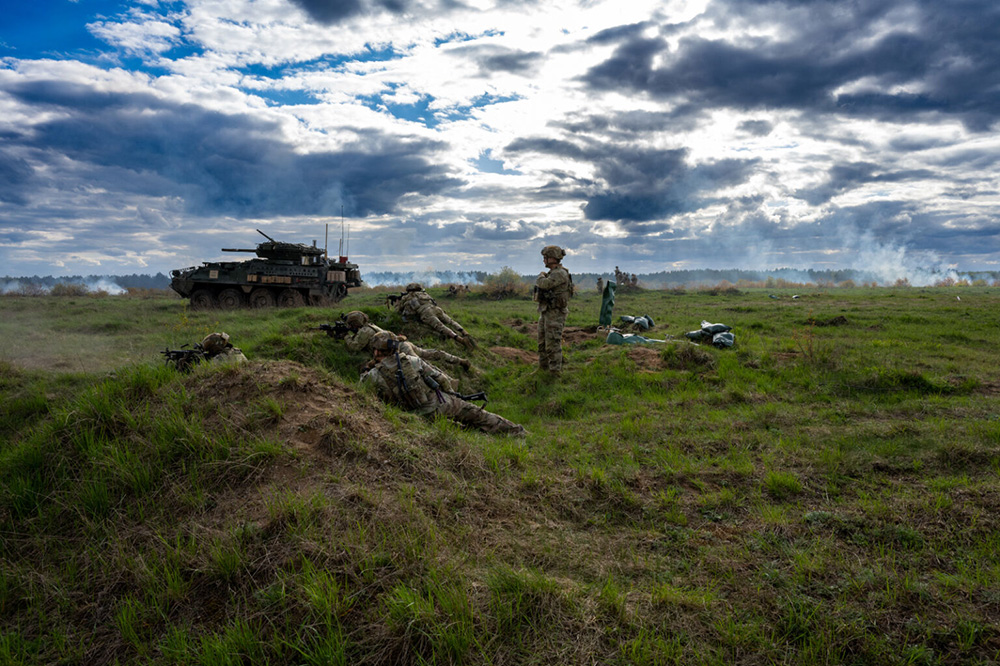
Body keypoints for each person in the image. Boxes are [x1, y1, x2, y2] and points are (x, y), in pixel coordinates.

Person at [360, 334, 525, 436]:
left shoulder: (372, 376)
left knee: (456, 425)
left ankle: (467, 431)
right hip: (440, 403)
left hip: (415, 417)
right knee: (478, 414)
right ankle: (516, 431)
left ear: (375, 350)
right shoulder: (413, 361)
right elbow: (441, 379)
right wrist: (452, 396)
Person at [341, 311, 470, 371]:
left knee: (422, 367)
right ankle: (461, 361)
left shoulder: (365, 332)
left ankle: (447, 380)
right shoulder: (371, 327)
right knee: (430, 353)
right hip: (402, 344)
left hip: (399, 349)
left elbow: (354, 347)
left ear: (354, 324)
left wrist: (345, 336)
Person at [395, 283, 474, 347]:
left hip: (426, 313)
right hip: (436, 309)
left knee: (440, 326)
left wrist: (397, 303)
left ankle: (460, 340)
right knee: (450, 321)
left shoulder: (407, 297)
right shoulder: (424, 294)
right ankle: (464, 332)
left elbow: (398, 311)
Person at [535, 245, 573, 374]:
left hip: (555, 313)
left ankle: (554, 372)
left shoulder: (560, 273)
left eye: (546, 257)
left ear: (553, 258)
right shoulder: (553, 273)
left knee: (552, 343)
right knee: (542, 342)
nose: (544, 260)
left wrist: (540, 276)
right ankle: (543, 368)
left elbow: (545, 284)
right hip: (547, 311)